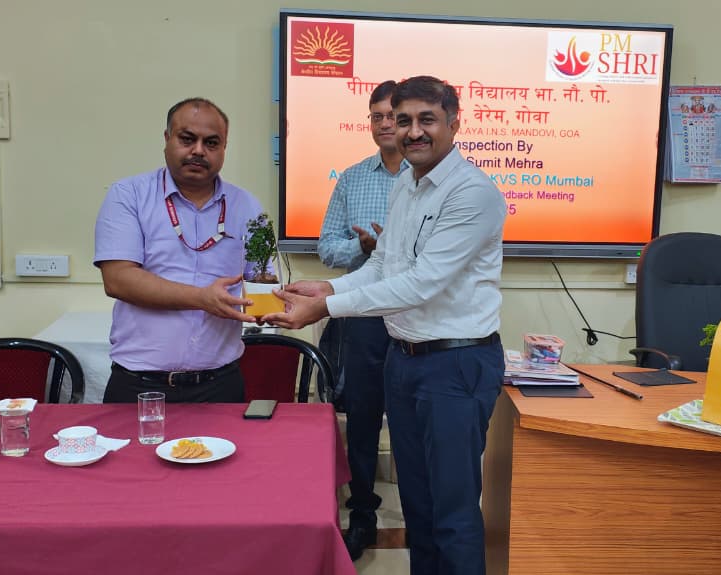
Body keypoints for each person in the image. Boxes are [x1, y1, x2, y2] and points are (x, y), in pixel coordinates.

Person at [262, 75, 508, 575]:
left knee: (453, 513)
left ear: (454, 123)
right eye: (403, 120)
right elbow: (383, 266)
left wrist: (327, 309)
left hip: (455, 365)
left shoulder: (472, 193)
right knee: (418, 507)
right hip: (405, 361)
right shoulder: (405, 185)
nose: (413, 131)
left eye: (426, 120)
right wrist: (327, 289)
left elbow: (421, 284)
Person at [93, 97, 266, 403]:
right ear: (167, 139)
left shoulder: (249, 206)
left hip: (220, 385)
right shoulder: (128, 195)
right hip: (140, 385)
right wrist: (202, 299)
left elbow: (262, 281)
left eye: (211, 143)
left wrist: (287, 303)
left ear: (224, 147)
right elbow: (118, 280)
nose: (198, 150)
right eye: (187, 139)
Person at [316, 80, 408, 561]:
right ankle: (363, 514)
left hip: (417, 316)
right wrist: (363, 247)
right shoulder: (353, 179)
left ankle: (420, 513)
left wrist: (394, 249)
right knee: (364, 416)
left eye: (393, 115)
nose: (385, 124)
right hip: (366, 313)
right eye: (377, 116)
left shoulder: (429, 177)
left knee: (415, 417)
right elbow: (327, 248)